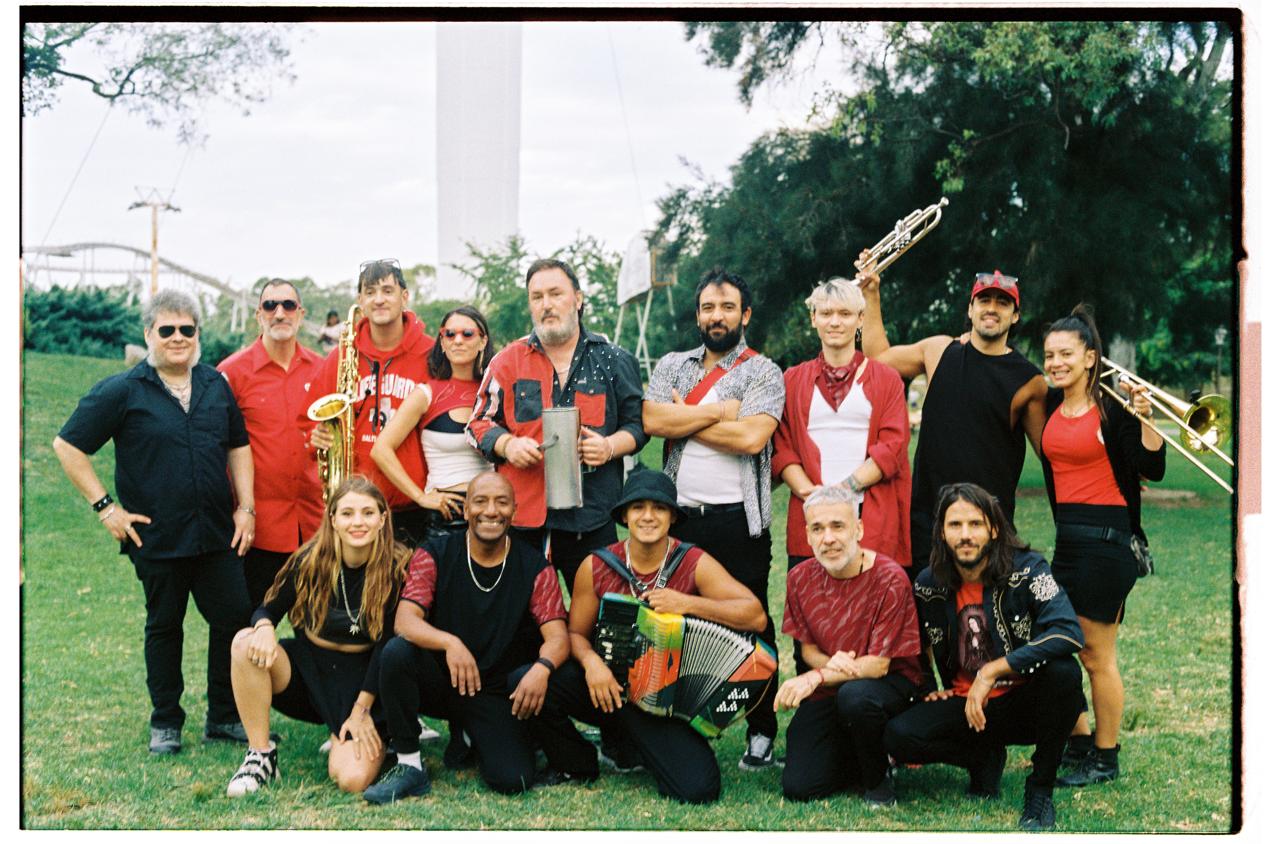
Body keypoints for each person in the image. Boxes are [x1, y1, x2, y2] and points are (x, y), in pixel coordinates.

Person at [52, 289, 255, 754]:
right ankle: (166, 721)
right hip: (156, 535)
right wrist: (106, 508)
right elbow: (68, 446)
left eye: (188, 329)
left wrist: (246, 507)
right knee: (165, 625)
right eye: (167, 330)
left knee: (233, 620)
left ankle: (224, 717)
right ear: (149, 335)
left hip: (215, 533)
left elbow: (237, 446)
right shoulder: (123, 390)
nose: (178, 338)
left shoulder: (214, 384)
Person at [525, 468, 766, 803]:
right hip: (607, 689)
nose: (648, 516)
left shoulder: (692, 560)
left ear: (672, 517)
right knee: (532, 680)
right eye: (638, 507)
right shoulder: (597, 565)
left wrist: (687, 603)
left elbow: (755, 616)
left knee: (699, 789)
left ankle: (635, 745)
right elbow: (575, 634)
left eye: (659, 508)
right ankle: (577, 762)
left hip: (662, 701)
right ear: (625, 515)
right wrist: (593, 664)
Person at [642, 267, 786, 770]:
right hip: (681, 521)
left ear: (744, 315)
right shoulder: (673, 366)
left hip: (739, 522)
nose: (716, 316)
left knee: (752, 623)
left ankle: (761, 730)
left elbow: (752, 440)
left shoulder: (764, 371)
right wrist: (723, 412)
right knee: (677, 621)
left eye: (727, 307)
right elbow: (654, 420)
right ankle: (678, 722)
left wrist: (689, 418)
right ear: (697, 315)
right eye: (707, 307)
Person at [882, 482, 1085, 831]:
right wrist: (930, 685)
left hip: (1023, 702)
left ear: (993, 528)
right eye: (955, 525)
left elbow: (1068, 631)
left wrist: (991, 671)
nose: (965, 535)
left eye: (975, 524)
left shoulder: (1028, 569)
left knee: (1064, 674)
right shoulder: (928, 584)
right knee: (899, 736)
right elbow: (916, 642)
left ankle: (1039, 790)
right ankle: (982, 756)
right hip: (968, 706)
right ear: (941, 533)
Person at [361, 472, 571, 802]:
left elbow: (558, 636)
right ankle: (409, 763)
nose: (491, 511)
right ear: (466, 511)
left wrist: (542, 668)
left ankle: (475, 736)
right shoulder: (435, 552)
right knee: (397, 652)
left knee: (512, 779)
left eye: (502, 503)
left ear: (514, 512)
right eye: (481, 502)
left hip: (493, 690)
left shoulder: (535, 567)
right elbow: (405, 620)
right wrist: (449, 643)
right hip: (441, 679)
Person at [1040, 306, 1165, 787]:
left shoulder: (1113, 407)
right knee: (1054, 644)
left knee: (1095, 655)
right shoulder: (1052, 406)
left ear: (1090, 357)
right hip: (1068, 542)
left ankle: (1105, 757)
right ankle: (1078, 739)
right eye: (1050, 355)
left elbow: (1151, 469)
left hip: (1109, 543)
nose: (1056, 362)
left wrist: (1147, 418)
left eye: (1066, 354)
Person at [224, 476, 410, 796]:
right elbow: (266, 610)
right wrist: (265, 629)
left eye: (368, 513)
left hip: (366, 680)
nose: (358, 522)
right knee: (244, 643)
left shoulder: (398, 567)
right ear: (333, 518)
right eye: (347, 513)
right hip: (310, 672)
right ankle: (261, 756)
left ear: (383, 519)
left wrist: (362, 709)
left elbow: (387, 648)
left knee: (351, 779)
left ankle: (381, 739)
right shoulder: (309, 560)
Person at [859, 265, 1048, 582]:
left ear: (1015, 316)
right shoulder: (938, 350)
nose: (991, 308)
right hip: (927, 520)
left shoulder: (1029, 381)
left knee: (981, 624)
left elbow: (1051, 453)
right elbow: (879, 359)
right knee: (927, 620)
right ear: (970, 309)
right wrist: (871, 295)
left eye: (1002, 303)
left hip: (987, 525)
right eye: (984, 300)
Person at [467, 258, 647, 585]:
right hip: (523, 519)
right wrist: (507, 444)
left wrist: (609, 447)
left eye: (555, 294)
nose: (546, 305)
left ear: (577, 299)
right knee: (523, 624)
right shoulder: (506, 362)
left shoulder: (614, 360)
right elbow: (476, 424)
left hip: (592, 518)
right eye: (537, 297)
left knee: (598, 617)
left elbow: (639, 427)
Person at [775, 484, 922, 807]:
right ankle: (860, 752)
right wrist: (829, 665)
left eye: (837, 526)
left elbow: (878, 665)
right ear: (808, 535)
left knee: (855, 697)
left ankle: (878, 782)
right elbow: (808, 651)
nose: (828, 538)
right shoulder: (799, 578)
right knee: (800, 786)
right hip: (833, 689)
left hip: (890, 688)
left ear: (858, 529)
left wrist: (817, 676)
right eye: (818, 528)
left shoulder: (889, 578)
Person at [773, 276, 912, 576]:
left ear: (860, 319)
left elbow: (893, 446)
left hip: (870, 514)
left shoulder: (886, 379)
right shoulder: (793, 380)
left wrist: (844, 490)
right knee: (815, 612)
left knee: (873, 612)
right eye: (826, 313)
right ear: (813, 319)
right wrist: (813, 495)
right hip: (811, 514)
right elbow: (782, 447)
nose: (835, 322)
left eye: (845, 314)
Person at [306, 259, 435, 546]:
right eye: (370, 291)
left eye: (388, 291)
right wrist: (316, 437)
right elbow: (310, 419)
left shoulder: (430, 353)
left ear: (404, 297)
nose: (379, 299)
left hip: (413, 507)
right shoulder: (341, 356)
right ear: (360, 300)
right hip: (356, 511)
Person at [219, 279, 325, 607]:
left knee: (316, 631)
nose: (279, 313)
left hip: (313, 523)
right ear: (258, 315)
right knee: (246, 628)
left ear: (301, 314)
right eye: (270, 306)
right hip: (255, 527)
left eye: (288, 306)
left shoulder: (323, 369)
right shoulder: (232, 372)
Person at [371, 306, 494, 541]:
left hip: (492, 513)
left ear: (482, 341)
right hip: (446, 516)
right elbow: (381, 449)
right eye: (450, 334)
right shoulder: (426, 394)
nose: (458, 340)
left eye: (467, 334)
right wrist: (420, 497)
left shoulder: (495, 389)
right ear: (442, 342)